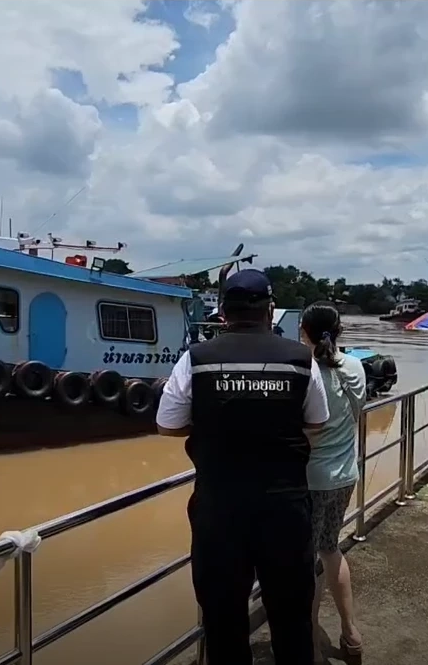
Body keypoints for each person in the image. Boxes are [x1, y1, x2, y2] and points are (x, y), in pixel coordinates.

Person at [156, 269, 330, 665]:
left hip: (219, 508)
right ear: (270, 309)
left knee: (223, 620)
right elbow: (318, 423)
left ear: (222, 311)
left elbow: (167, 425)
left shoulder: (196, 359)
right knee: (291, 618)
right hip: (285, 508)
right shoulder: (301, 359)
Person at [298, 302, 365, 661]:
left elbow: (303, 429)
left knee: (305, 561)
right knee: (331, 549)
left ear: (303, 331)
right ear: (338, 331)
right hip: (345, 474)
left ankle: (310, 642)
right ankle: (351, 633)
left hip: (310, 479)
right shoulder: (355, 366)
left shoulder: (303, 371)